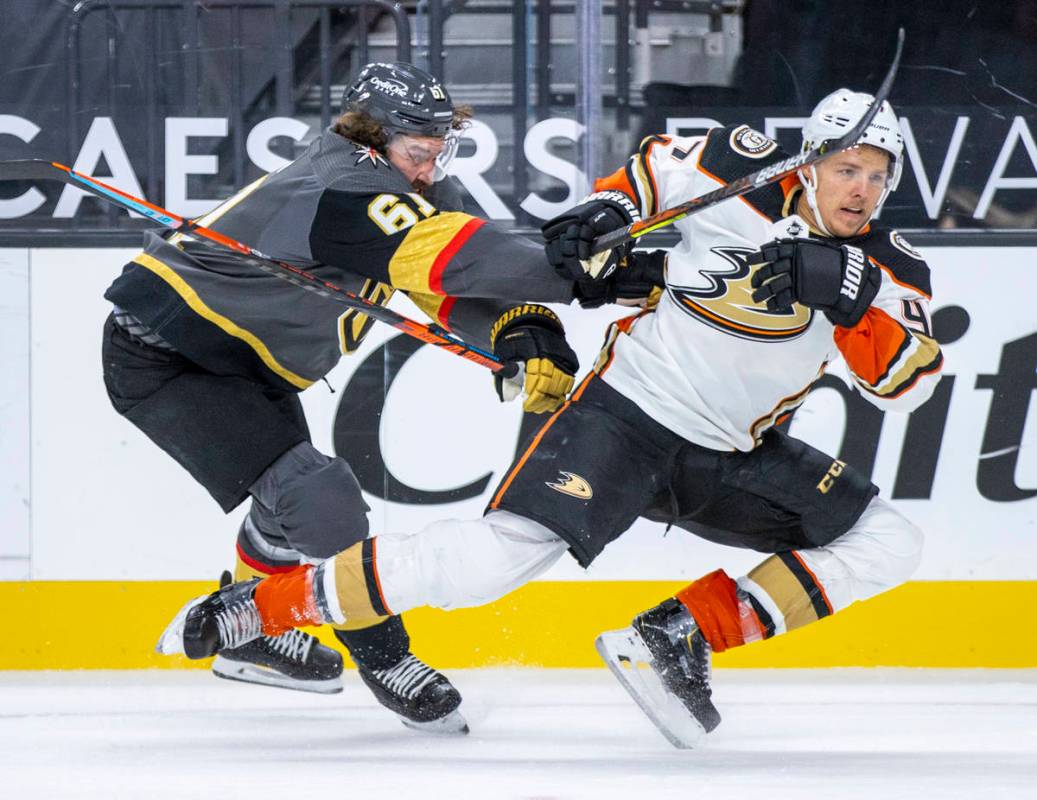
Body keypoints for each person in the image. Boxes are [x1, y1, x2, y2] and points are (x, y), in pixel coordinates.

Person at [154, 89, 942, 747]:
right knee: (490, 565)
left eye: (876, 176)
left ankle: (682, 637)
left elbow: (905, 380)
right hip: (624, 417)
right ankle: (258, 609)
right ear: (809, 161)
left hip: (731, 456)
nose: (859, 190)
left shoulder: (890, 266)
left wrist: (848, 301)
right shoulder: (737, 168)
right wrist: (601, 209)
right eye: (845, 168)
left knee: (888, 540)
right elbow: (646, 170)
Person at [102, 61, 659, 733]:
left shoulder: (401, 188)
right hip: (169, 352)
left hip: (247, 358)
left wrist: (525, 329)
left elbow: (456, 282)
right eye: (419, 153)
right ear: (373, 139)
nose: (429, 169)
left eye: (439, 152)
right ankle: (384, 656)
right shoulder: (339, 185)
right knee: (317, 492)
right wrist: (585, 277)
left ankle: (252, 622)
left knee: (289, 499)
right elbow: (458, 257)